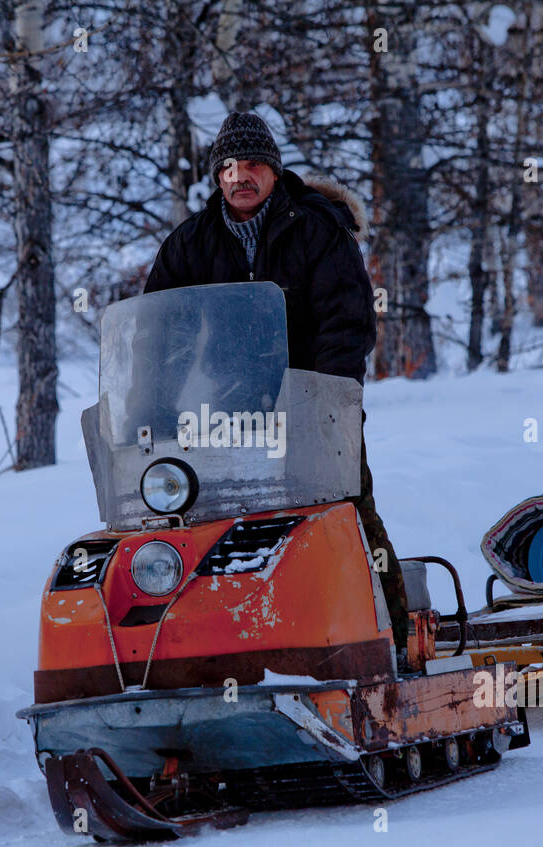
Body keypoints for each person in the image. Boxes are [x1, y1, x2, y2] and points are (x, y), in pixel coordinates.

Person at [143, 110, 409, 646]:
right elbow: (160, 334)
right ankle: (226, 645)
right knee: (214, 530)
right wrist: (155, 410)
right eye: (230, 166)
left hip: (314, 406)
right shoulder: (190, 243)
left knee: (346, 517)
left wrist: (324, 402)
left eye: (254, 164)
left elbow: (346, 322)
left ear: (273, 170)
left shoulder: (317, 230)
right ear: (217, 174)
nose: (242, 175)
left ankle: (392, 638)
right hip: (225, 414)